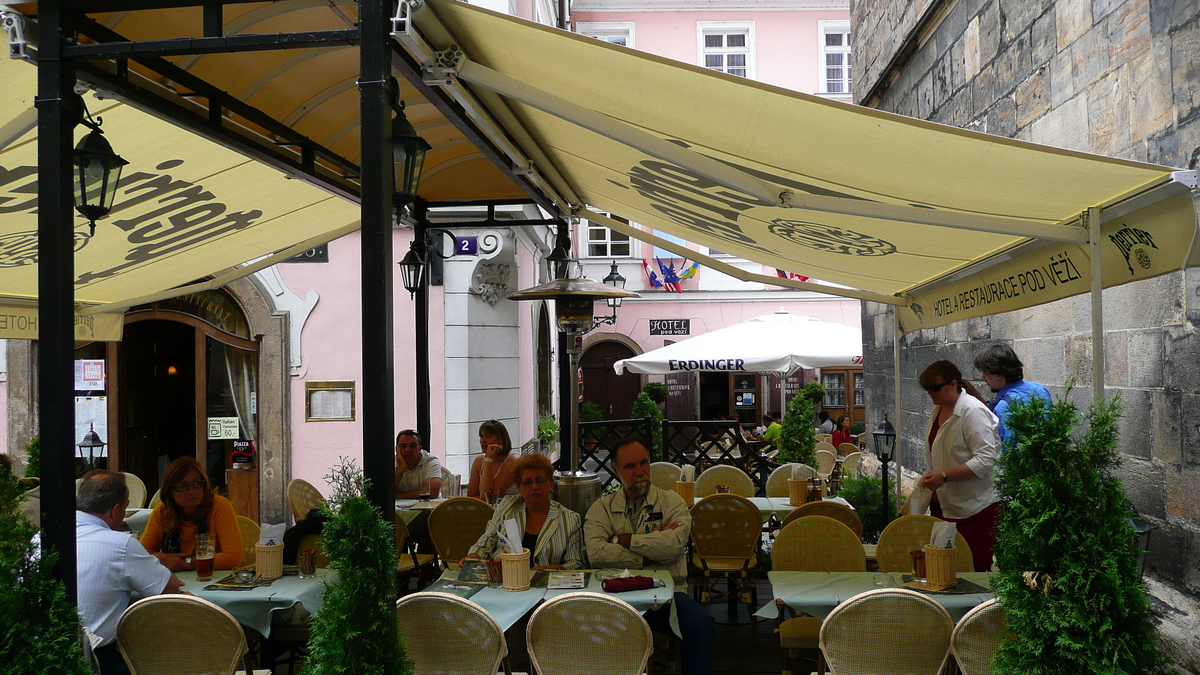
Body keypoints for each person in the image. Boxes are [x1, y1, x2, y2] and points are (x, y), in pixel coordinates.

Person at [585, 439, 715, 675]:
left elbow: (674, 546)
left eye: (644, 463)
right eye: (630, 466)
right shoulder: (601, 508)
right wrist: (648, 557)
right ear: (616, 471)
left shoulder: (672, 502)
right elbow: (596, 554)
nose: (639, 472)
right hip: (615, 598)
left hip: (666, 596)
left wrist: (626, 540)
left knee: (701, 625)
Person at [77, 470, 184, 675]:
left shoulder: (43, 537)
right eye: (126, 506)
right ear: (116, 510)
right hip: (97, 661)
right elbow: (170, 589)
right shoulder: (121, 544)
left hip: (42, 652)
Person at [917, 360, 1001, 573]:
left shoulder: (972, 411)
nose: (930, 393)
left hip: (975, 509)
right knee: (944, 569)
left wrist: (943, 476)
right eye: (926, 389)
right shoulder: (939, 409)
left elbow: (986, 459)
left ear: (953, 384)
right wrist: (931, 474)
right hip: (946, 505)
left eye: (935, 388)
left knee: (974, 570)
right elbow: (942, 452)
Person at [465, 453, 584, 570]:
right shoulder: (507, 507)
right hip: (506, 582)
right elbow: (487, 540)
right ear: (519, 488)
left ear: (551, 484)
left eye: (540, 480)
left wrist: (551, 569)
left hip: (548, 585)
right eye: (527, 482)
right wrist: (475, 555)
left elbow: (576, 563)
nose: (535, 487)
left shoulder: (570, 520)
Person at [140, 457, 243, 571]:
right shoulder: (163, 510)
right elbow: (140, 556)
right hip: (176, 582)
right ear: (169, 492)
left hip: (214, 579)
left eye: (197, 483)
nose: (191, 491)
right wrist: (162, 558)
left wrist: (185, 562)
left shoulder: (219, 505)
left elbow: (233, 558)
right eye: (182, 486)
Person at [973, 344, 1052, 445]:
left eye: (986, 373)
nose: (983, 377)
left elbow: (1008, 451)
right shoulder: (1040, 389)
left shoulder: (1004, 407)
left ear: (999, 375)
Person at [467, 419, 518, 501]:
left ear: (502, 439)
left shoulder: (513, 462)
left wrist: (488, 460)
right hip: (485, 510)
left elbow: (487, 497)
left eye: (488, 436)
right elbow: (471, 497)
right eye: (481, 436)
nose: (483, 441)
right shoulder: (479, 461)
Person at [394, 429, 442, 499]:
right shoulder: (389, 462)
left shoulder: (431, 461)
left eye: (412, 446)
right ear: (396, 449)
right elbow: (385, 491)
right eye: (403, 446)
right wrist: (401, 468)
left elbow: (432, 492)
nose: (408, 450)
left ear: (419, 448)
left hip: (429, 508)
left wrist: (398, 496)